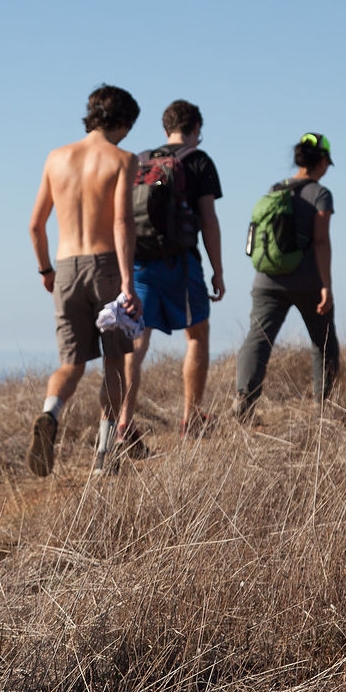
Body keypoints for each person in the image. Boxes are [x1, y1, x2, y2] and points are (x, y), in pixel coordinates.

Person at [26, 85, 143, 476]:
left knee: (71, 363)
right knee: (114, 361)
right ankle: (104, 457)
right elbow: (122, 222)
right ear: (123, 122)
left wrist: (46, 270)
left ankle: (50, 414)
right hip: (106, 263)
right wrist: (128, 283)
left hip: (65, 266)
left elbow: (35, 225)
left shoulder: (56, 157)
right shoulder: (122, 159)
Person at [118, 99, 224, 448]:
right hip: (180, 263)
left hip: (139, 261)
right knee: (196, 334)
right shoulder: (198, 161)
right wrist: (218, 270)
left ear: (166, 129)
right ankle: (192, 418)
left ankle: (123, 424)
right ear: (196, 128)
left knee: (137, 340)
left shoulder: (141, 159)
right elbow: (208, 220)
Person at [233, 133, 339, 418]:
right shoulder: (321, 194)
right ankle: (324, 407)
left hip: (267, 280)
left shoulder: (275, 189)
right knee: (324, 342)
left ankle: (243, 399)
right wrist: (326, 286)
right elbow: (321, 242)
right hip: (308, 281)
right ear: (322, 161)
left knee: (258, 339)